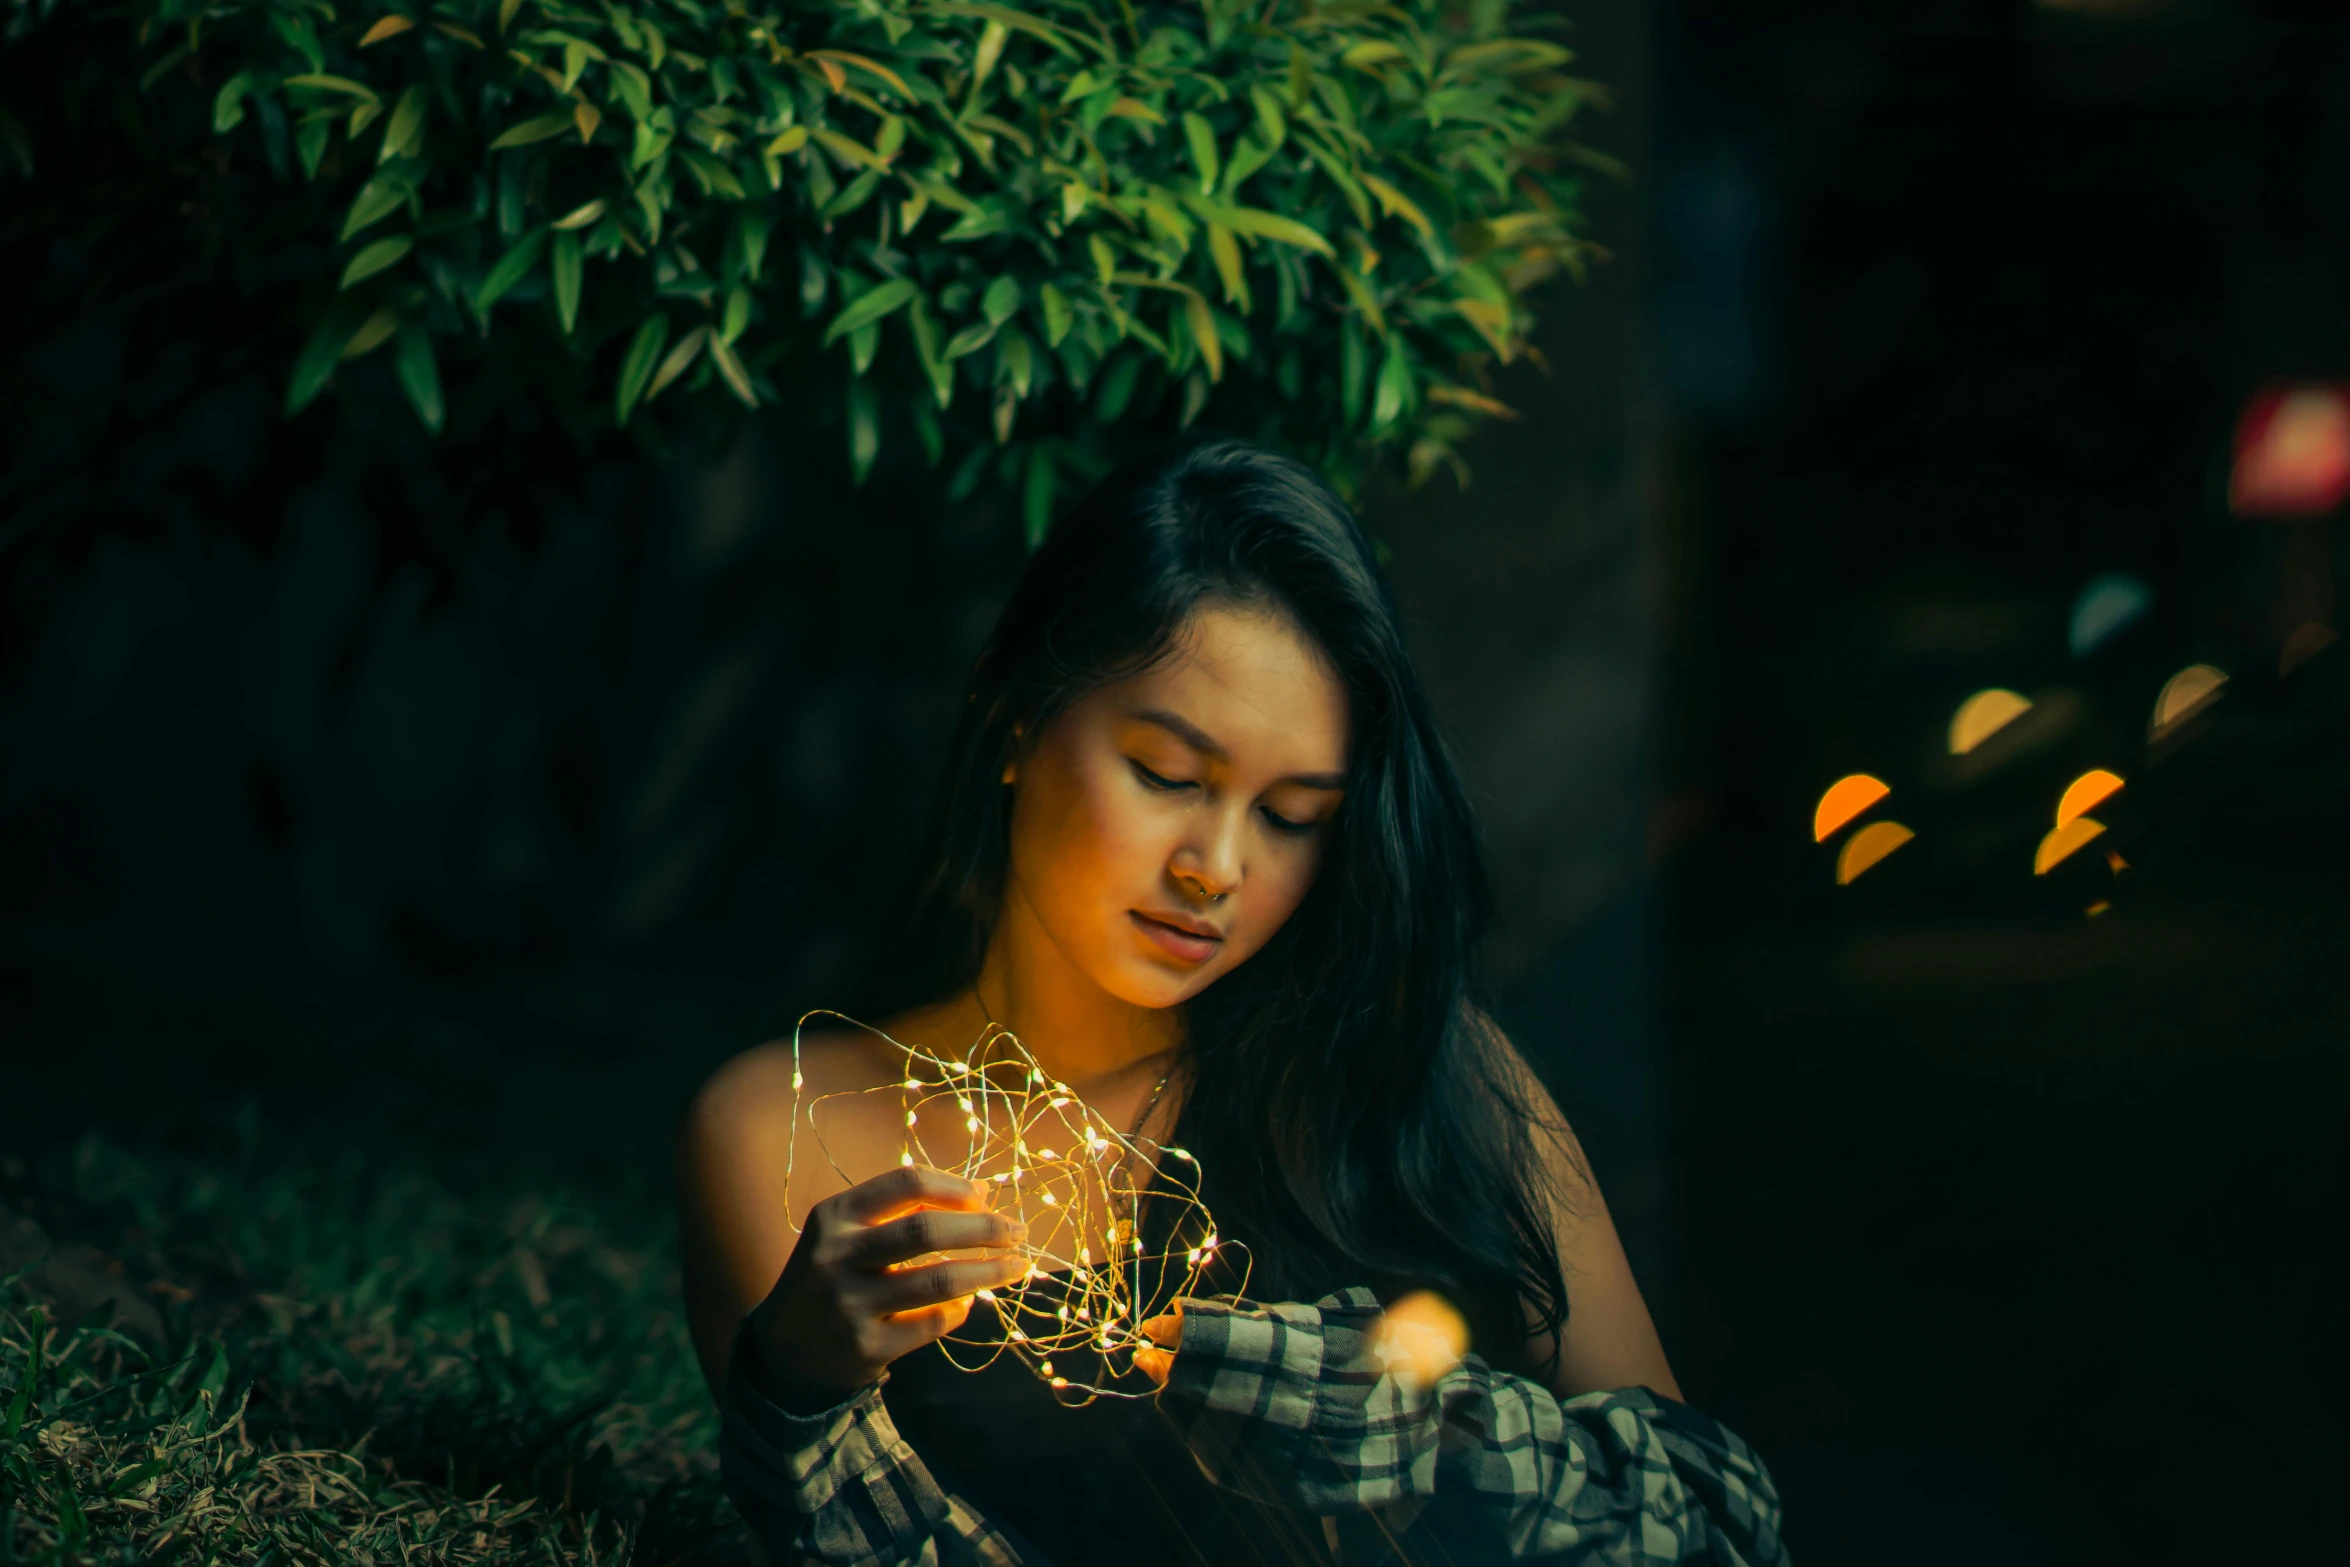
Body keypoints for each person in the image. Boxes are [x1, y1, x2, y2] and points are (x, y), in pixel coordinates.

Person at [674, 437, 1788, 1565]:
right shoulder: (786, 1127)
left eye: (1292, 816)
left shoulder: (1413, 1068)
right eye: (1167, 774)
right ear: (1017, 717)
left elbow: (1714, 1522)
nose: (1216, 866)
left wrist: (1422, 1441)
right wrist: (800, 1388)